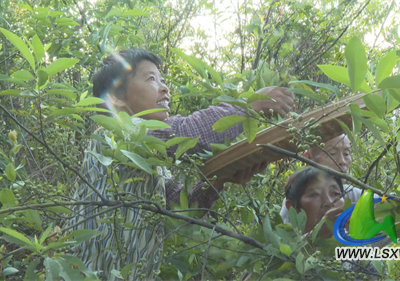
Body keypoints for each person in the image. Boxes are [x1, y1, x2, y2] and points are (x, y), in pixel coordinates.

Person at [67, 49, 294, 280]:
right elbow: (187, 132)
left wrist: (220, 179)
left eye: (163, 80)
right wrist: (248, 105)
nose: (165, 88)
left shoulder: (149, 159)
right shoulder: (115, 134)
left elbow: (182, 210)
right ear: (116, 98)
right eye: (151, 79)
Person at [283, 166, 345, 236]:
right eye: (315, 194)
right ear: (293, 207)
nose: (329, 202)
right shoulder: (283, 245)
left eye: (335, 193)